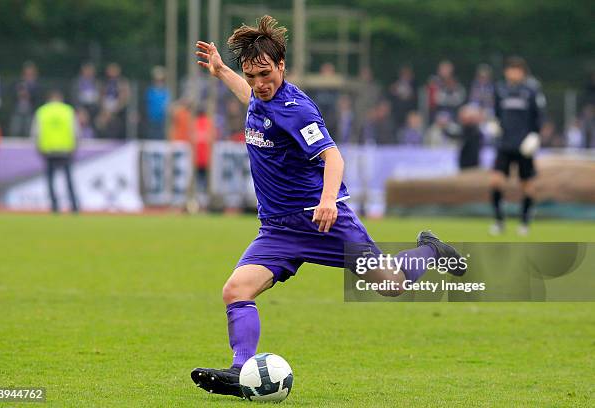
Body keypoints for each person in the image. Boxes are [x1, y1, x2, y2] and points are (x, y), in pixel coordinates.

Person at [190, 15, 464, 398]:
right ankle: (241, 370)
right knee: (236, 290)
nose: (259, 84)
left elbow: (333, 157)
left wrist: (327, 201)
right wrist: (222, 73)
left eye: (265, 74)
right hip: (278, 230)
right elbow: (250, 97)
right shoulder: (260, 96)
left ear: (282, 65)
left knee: (391, 285)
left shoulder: (296, 108)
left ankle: (430, 249)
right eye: (251, 77)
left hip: (321, 221)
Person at [490, 57, 545, 236]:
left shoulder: (531, 90)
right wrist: (494, 124)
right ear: (506, 71)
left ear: (523, 72)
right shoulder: (500, 90)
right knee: (496, 181)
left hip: (524, 145)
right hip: (505, 144)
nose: (514, 73)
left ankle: (524, 222)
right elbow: (496, 113)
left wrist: (535, 135)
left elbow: (539, 116)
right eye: (511, 69)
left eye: (517, 70)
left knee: (527, 184)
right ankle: (499, 221)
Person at [32, 90, 79, 213]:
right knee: (68, 179)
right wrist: (75, 146)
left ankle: (54, 206)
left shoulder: (42, 111)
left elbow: (36, 132)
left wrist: (38, 147)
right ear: (60, 98)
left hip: (48, 150)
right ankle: (74, 206)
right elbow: (76, 131)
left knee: (50, 180)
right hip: (65, 149)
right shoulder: (68, 111)